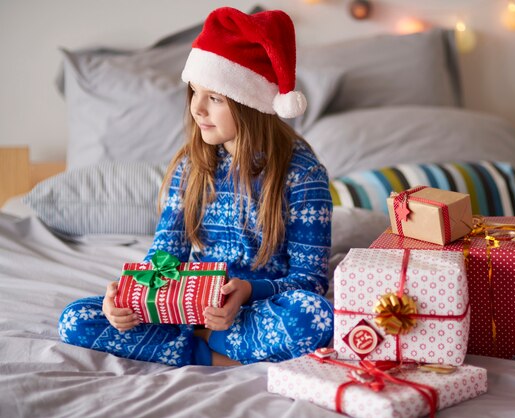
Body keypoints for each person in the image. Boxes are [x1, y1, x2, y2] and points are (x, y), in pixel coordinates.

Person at [58, 7, 334, 367]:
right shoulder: (192, 165)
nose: (197, 109)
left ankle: (198, 345)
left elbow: (309, 281)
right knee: (76, 318)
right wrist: (132, 294)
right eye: (194, 92)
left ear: (250, 103)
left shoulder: (302, 174)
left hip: (255, 309)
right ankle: (211, 352)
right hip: (185, 305)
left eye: (215, 98)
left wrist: (249, 290)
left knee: (314, 317)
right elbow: (165, 256)